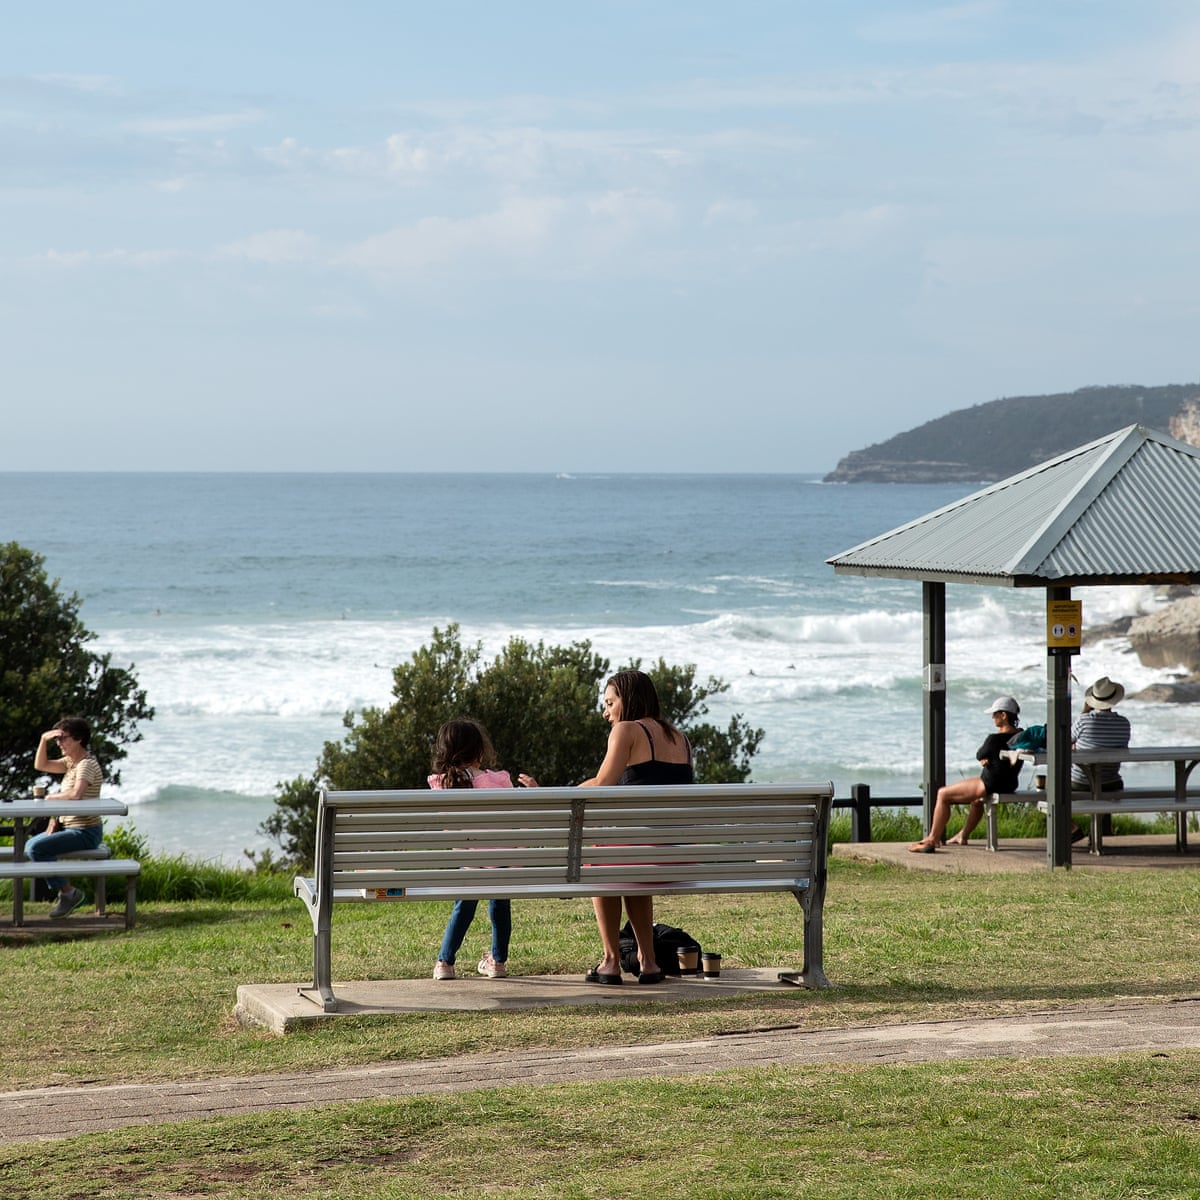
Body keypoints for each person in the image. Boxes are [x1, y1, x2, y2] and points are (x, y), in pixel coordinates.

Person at [578, 669, 694, 985]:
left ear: (628, 700)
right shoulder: (680, 738)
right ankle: (648, 961)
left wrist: (562, 792)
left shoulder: (626, 730)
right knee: (629, 860)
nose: (606, 713)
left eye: (610, 703)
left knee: (600, 857)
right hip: (676, 857)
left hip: (644, 854)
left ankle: (610, 962)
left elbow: (602, 784)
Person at [430, 719, 534, 981]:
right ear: (479, 751)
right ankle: (497, 962)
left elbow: (449, 831)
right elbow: (519, 818)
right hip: (503, 861)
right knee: (500, 905)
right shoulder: (499, 780)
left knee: (463, 906)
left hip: (470, 862)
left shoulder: (443, 784)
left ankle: (445, 962)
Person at [908, 697, 1023, 853]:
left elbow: (980, 754)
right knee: (976, 801)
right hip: (1009, 783)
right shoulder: (1021, 735)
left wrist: (985, 757)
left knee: (943, 794)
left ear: (1004, 715)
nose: (992, 717)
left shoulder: (994, 739)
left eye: (995, 714)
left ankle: (932, 839)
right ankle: (962, 835)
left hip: (990, 782)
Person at [27, 717, 104, 918]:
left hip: (85, 831)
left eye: (63, 738)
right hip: (70, 828)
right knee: (29, 846)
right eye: (57, 739)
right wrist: (43, 740)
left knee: (36, 848)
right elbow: (41, 764)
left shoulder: (86, 765)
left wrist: (49, 797)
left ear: (78, 739)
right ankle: (68, 892)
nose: (59, 743)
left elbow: (76, 794)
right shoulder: (71, 763)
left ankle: (68, 893)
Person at [1071, 676, 1131, 840]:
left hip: (1081, 782)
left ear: (1092, 701)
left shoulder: (1084, 721)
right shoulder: (1124, 723)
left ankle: (1072, 829)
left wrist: (1085, 711)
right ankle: (1102, 832)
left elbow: (1067, 741)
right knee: (1104, 785)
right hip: (1111, 782)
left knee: (1050, 788)